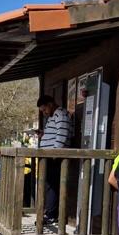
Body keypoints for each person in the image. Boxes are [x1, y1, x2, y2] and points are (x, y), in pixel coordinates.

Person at [36, 94, 73, 224]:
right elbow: (54, 134)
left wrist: (54, 153)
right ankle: (49, 212)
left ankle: (51, 214)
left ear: (51, 104)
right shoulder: (53, 117)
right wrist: (43, 135)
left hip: (54, 157)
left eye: (45, 110)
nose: (45, 113)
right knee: (49, 185)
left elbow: (61, 135)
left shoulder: (60, 115)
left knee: (52, 186)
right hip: (50, 156)